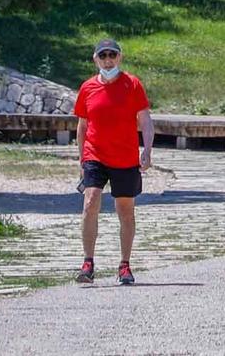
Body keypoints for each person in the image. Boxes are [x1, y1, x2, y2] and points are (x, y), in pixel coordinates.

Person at [73, 37, 152, 285]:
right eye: (103, 56)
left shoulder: (133, 85)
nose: (108, 60)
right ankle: (88, 263)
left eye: (112, 55)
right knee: (90, 201)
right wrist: (82, 159)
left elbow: (146, 121)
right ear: (95, 59)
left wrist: (147, 150)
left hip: (126, 157)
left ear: (120, 57)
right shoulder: (87, 88)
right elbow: (82, 125)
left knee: (125, 211)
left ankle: (124, 265)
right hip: (95, 155)